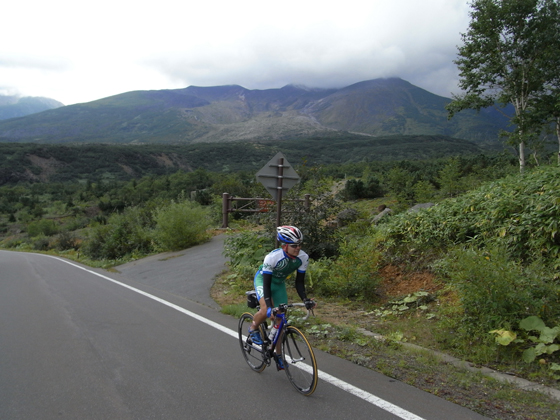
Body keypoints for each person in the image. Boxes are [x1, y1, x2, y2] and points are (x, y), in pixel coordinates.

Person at [248, 225, 316, 370]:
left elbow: (299, 282)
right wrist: (269, 305)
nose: (297, 248)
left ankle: (278, 355)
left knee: (280, 320)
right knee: (267, 309)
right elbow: (266, 285)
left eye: (299, 245)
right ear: (284, 246)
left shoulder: (303, 257)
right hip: (264, 281)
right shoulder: (273, 257)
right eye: (293, 246)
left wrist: (305, 300)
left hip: (279, 284)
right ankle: (253, 328)